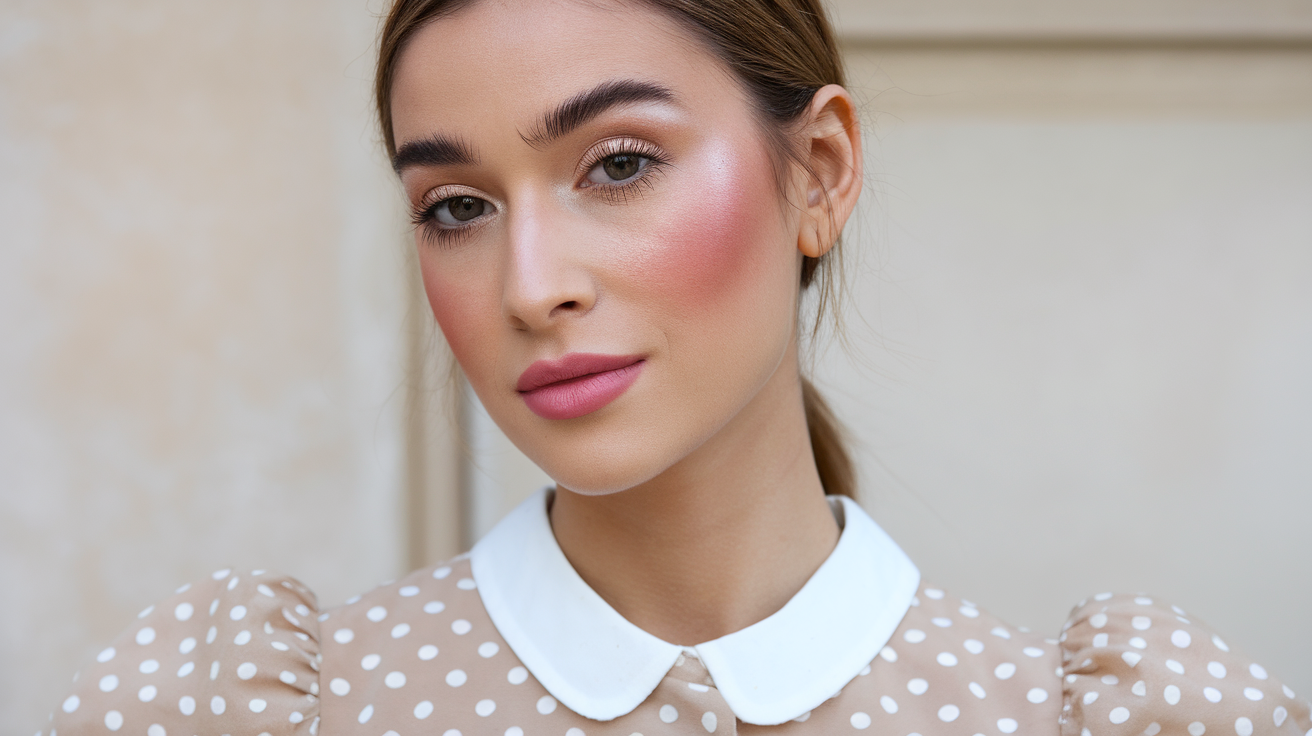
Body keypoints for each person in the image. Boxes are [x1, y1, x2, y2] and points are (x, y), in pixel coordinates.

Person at [45, 0, 1310, 734]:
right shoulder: (262, 710)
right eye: (456, 205)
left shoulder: (1097, 717)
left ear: (815, 173)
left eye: (618, 163)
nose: (530, 283)